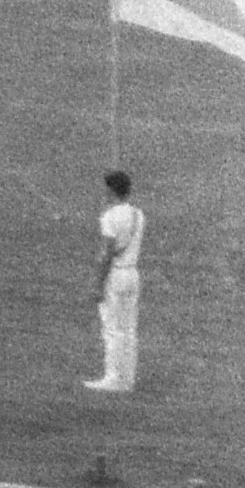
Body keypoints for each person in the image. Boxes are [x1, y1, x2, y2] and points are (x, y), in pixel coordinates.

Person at [89, 167, 142, 398]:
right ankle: (127, 378)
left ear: (111, 191)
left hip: (116, 275)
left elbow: (106, 254)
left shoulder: (109, 217)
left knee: (112, 329)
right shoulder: (139, 215)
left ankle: (112, 377)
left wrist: (97, 284)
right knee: (129, 329)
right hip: (133, 274)